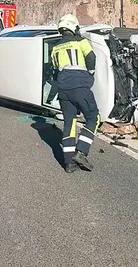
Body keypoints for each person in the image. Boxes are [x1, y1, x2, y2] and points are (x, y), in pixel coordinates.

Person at [50, 14, 100, 173]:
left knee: (69, 123)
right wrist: (90, 74)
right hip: (80, 85)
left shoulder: (55, 48)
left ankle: (68, 163)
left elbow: (54, 69)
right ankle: (81, 151)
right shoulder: (81, 41)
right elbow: (91, 57)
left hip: (63, 88)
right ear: (74, 27)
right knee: (93, 117)